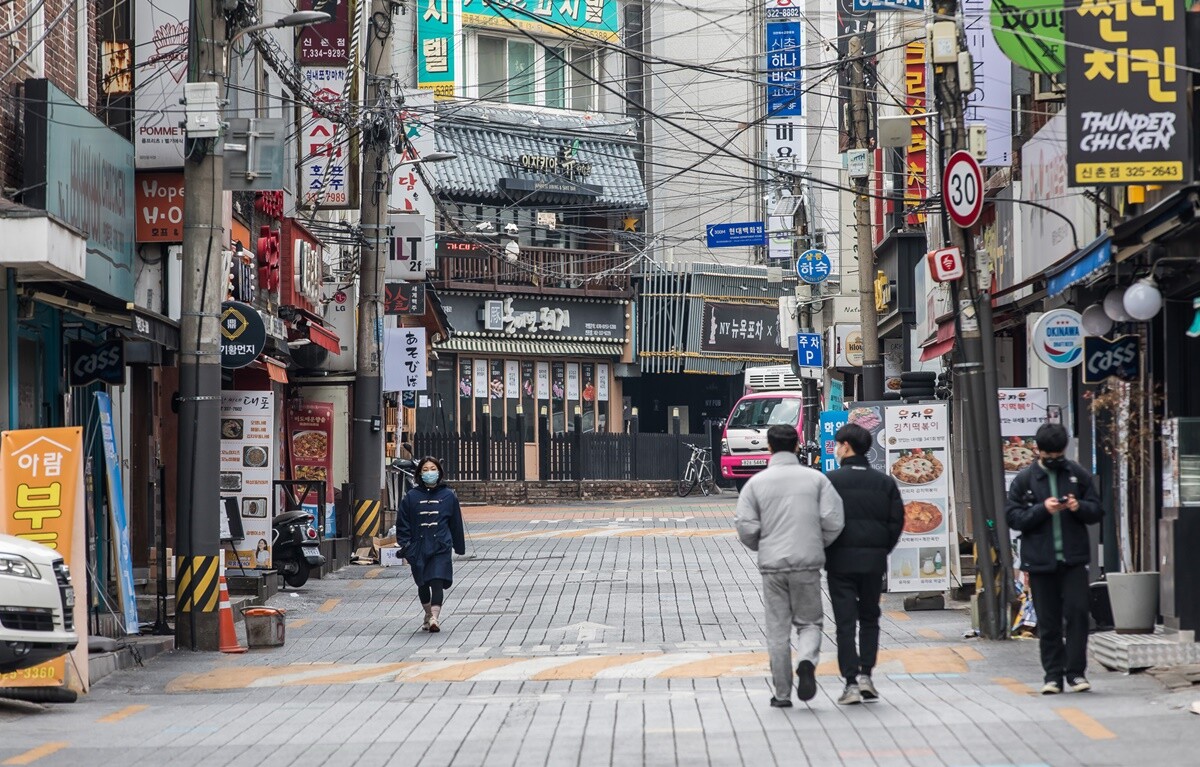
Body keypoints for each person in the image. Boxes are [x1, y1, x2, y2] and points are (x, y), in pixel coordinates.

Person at [735, 424, 845, 709]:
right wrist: (816, 543)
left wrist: (764, 545)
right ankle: (807, 659)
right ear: (798, 446)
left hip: (772, 565)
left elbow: (746, 527)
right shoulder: (817, 480)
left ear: (769, 448)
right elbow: (834, 520)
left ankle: (782, 694)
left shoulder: (755, 484)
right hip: (807, 562)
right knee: (809, 622)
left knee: (777, 630)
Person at [1005, 423, 1103, 695]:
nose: (1054, 459)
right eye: (1049, 455)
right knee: (1048, 622)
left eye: (1058, 454)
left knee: (1077, 614)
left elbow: (1097, 511)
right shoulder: (1024, 480)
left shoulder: (1077, 475)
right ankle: (1052, 676)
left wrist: (1078, 506)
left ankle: (1076, 674)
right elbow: (1013, 518)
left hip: (1073, 560)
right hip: (1039, 561)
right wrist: (1042, 510)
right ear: (1038, 450)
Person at [824, 423, 905, 705]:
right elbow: (897, 521)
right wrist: (882, 549)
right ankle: (867, 675)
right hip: (873, 562)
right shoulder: (885, 482)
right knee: (870, 618)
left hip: (839, 562)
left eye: (836, 445)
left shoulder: (830, 481)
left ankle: (850, 683)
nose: (835, 450)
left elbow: (820, 521)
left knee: (845, 623)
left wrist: (826, 551)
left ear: (846, 446)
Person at [397, 456, 466, 632]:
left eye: (433, 469)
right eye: (425, 470)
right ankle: (428, 614)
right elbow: (402, 523)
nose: (429, 473)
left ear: (439, 472)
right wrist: (405, 546)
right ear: (420, 473)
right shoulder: (411, 497)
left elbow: (456, 523)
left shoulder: (449, 496)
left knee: (437, 580)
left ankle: (435, 617)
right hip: (418, 547)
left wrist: (458, 546)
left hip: (440, 545)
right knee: (422, 583)